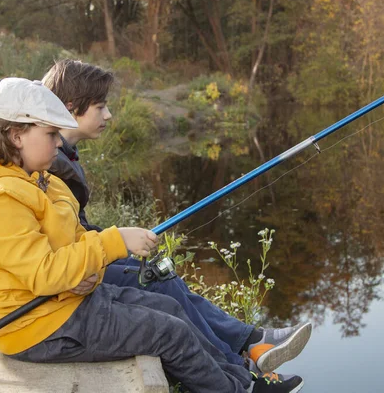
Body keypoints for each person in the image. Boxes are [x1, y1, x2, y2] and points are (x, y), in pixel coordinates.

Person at [0, 77, 305, 392]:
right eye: (50, 134)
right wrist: (114, 241)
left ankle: (243, 382)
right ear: (16, 135)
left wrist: (82, 272)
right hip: (36, 329)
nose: (56, 142)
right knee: (169, 333)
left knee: (168, 305)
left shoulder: (38, 181)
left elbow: (69, 246)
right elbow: (44, 273)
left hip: (63, 305)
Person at [42, 59, 312, 373]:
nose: (109, 115)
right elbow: (62, 239)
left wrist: (120, 240)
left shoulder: (62, 155)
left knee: (157, 270)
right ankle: (240, 363)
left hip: (81, 259)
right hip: (70, 277)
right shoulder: (51, 163)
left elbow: (76, 228)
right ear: (71, 107)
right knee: (156, 279)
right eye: (100, 107)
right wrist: (115, 242)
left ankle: (249, 342)